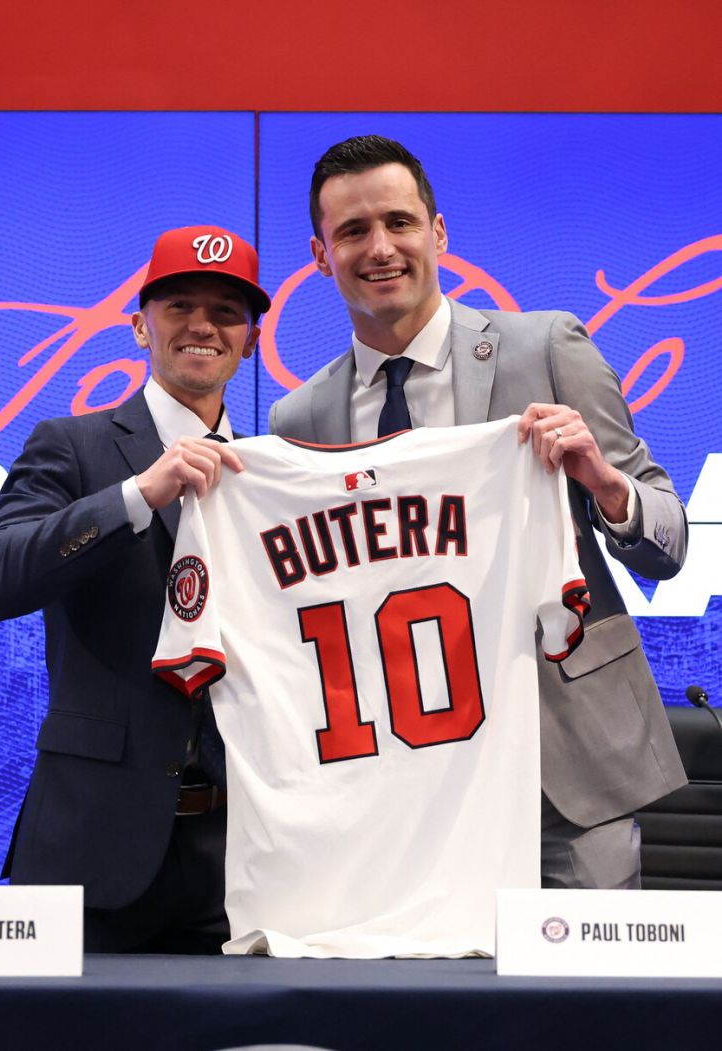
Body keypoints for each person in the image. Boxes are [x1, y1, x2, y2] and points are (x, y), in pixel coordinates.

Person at [269, 135, 688, 889]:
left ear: (438, 232)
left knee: (581, 962)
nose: (381, 248)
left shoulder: (547, 348)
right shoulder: (300, 418)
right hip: (402, 780)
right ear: (320, 256)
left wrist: (606, 486)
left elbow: (670, 543)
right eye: (353, 231)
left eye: (399, 222)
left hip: (567, 763)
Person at [0, 224, 271, 951]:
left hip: (242, 861)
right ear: (140, 326)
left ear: (252, 341)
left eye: (226, 311)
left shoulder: (273, 473)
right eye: (179, 306)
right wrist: (135, 496)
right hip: (89, 843)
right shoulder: (71, 444)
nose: (202, 325)